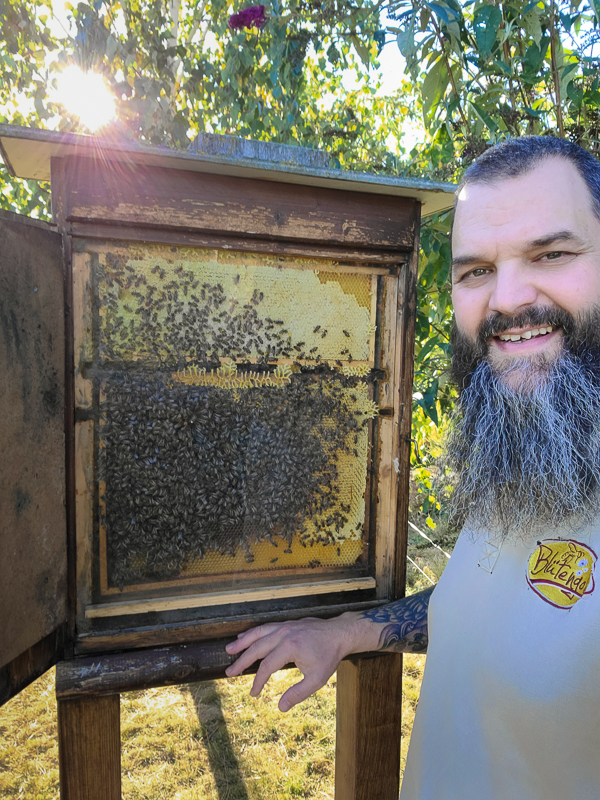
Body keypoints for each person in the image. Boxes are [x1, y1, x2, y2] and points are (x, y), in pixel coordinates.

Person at [226, 136, 600, 799]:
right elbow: (485, 605)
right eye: (475, 270)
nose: (507, 300)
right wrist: (347, 631)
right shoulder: (539, 448)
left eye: (553, 254)